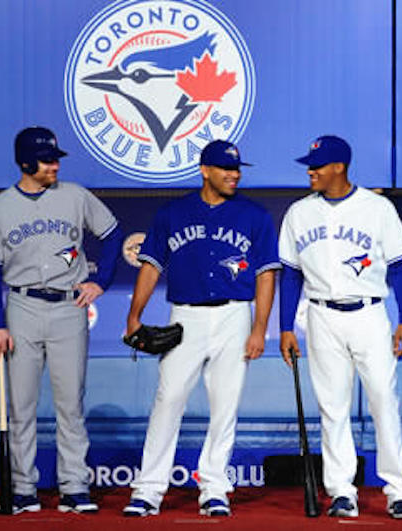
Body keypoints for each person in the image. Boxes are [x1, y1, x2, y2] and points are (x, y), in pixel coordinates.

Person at [122, 140, 280, 517]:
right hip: (186, 314)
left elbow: (266, 275)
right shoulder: (173, 213)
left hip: (234, 315)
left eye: (237, 169)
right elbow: (151, 265)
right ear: (204, 170)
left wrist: (260, 328)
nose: (234, 175)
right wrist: (134, 315)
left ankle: (214, 488)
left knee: (225, 404)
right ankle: (148, 489)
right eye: (226, 169)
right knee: (168, 398)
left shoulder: (255, 216)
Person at [0, 126, 122, 514]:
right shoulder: (0, 206)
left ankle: (74, 486)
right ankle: (23, 488)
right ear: (25, 162)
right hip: (21, 307)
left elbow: (112, 234)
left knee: (70, 403)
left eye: (56, 158)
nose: (55, 164)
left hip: (67, 307)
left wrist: (101, 280)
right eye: (46, 159)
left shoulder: (75, 196)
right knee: (21, 405)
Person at [278, 135, 402, 520]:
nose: (311, 171)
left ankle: (398, 490)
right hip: (321, 315)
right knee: (332, 408)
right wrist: (286, 326)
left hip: (370, 313)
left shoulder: (377, 208)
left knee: (383, 402)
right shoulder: (298, 213)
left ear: (339, 166)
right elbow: (290, 275)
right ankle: (342, 490)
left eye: (317, 165)